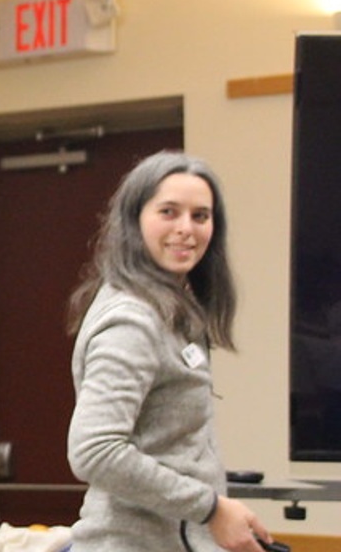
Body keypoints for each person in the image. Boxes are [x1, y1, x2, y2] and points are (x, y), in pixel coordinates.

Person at [65, 150, 273, 552]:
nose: (186, 229)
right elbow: (94, 450)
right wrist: (210, 508)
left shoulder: (171, 310)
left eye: (200, 216)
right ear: (134, 220)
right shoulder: (132, 320)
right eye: (168, 212)